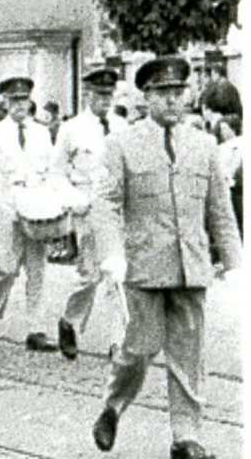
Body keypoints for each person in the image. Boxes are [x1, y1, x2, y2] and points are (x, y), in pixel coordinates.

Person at [91, 56, 241, 459]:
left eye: (179, 93)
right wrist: (112, 254)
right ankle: (113, 406)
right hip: (142, 267)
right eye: (163, 94)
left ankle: (186, 437)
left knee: (188, 355)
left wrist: (235, 264)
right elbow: (104, 203)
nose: (173, 101)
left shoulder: (204, 145)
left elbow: (221, 211)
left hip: (191, 267)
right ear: (147, 98)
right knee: (137, 350)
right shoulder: (121, 143)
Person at [0, 76, 60, 352]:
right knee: (7, 267)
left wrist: (53, 197)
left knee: (37, 267)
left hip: (35, 199)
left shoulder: (41, 133)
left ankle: (36, 328)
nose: (20, 105)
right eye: (14, 100)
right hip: (6, 199)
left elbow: (51, 167)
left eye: (24, 100)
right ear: (6, 103)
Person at [50, 67, 125, 360]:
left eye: (109, 94)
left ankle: (118, 343)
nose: (105, 100)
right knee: (89, 276)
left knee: (116, 274)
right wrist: (75, 200)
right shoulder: (72, 129)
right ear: (87, 94)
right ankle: (69, 320)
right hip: (88, 208)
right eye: (99, 94)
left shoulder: (122, 127)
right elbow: (56, 172)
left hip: (116, 210)